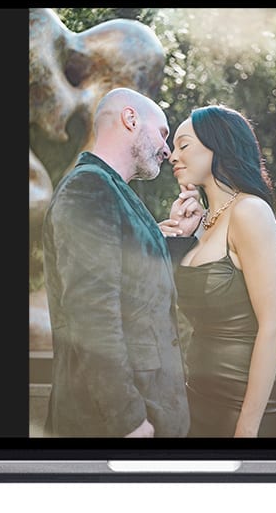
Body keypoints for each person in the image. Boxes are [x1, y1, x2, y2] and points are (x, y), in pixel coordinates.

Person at [42, 88, 201, 437]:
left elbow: (136, 286)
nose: (166, 150)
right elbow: (92, 314)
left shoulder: (113, 190)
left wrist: (174, 240)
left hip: (149, 412)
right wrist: (126, 418)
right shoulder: (88, 190)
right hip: (112, 424)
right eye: (163, 133)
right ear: (130, 119)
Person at [164, 105, 276, 437]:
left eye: (183, 145)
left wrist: (247, 429)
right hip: (197, 398)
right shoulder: (203, 223)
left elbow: (275, 327)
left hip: (245, 404)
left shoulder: (250, 211)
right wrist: (181, 235)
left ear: (217, 144)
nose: (172, 155)